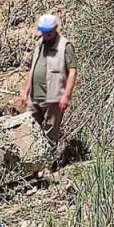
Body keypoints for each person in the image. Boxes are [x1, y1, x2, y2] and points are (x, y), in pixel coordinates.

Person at [19, 13, 76, 141]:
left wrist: (66, 96)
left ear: (55, 29)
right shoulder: (39, 43)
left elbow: (72, 72)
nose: (45, 36)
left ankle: (49, 159)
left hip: (54, 97)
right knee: (30, 129)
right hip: (35, 96)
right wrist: (26, 92)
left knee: (50, 132)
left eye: (48, 33)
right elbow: (33, 68)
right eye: (43, 33)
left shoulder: (65, 46)